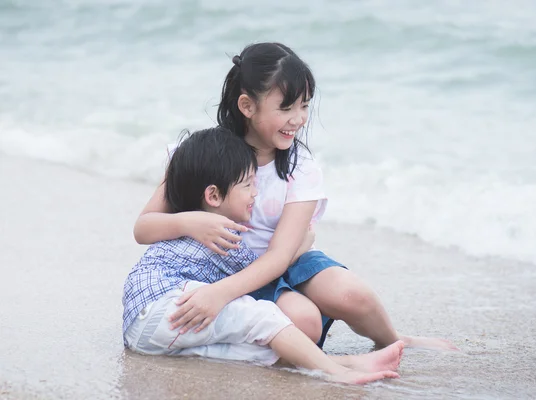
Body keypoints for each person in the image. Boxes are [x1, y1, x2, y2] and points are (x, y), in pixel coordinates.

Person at [133, 42, 458, 352]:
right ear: (247, 106)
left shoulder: (300, 167)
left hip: (285, 260)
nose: (299, 118)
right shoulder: (202, 155)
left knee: (353, 296)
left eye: (304, 105)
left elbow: (280, 256)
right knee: (306, 323)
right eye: (286, 107)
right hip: (221, 268)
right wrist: (189, 222)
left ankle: (394, 340)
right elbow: (143, 228)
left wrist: (220, 295)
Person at [122, 127, 403, 384]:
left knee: (245, 346)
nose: (255, 193)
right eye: (247, 185)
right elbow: (261, 270)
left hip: (141, 330)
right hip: (168, 304)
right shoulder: (222, 232)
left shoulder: (192, 223)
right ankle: (337, 373)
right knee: (265, 317)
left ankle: (346, 362)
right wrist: (302, 244)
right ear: (214, 196)